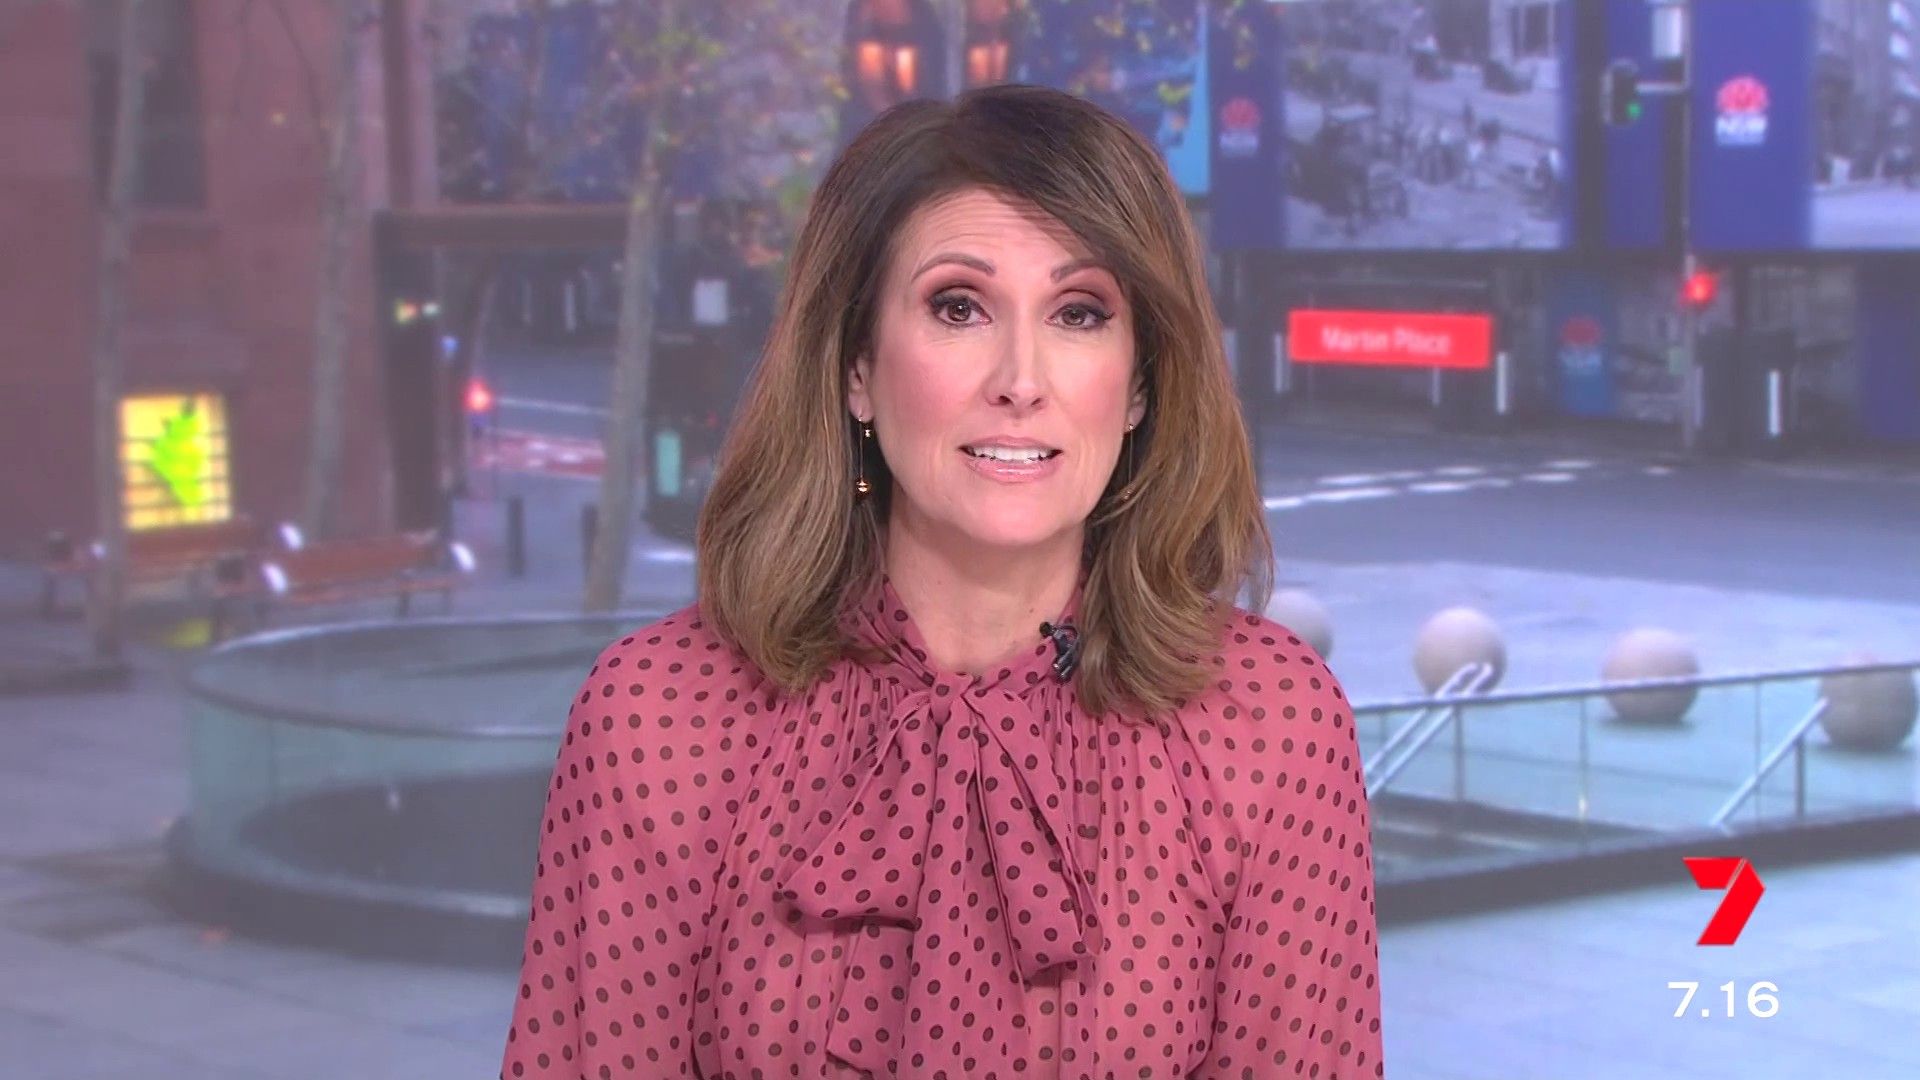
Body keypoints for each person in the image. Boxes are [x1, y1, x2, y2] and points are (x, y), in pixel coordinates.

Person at [500, 84, 1383, 1079]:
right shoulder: (660, 717)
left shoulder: (1271, 725)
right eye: (959, 307)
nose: (1020, 379)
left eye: (1079, 313)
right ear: (858, 368)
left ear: (1140, 382)